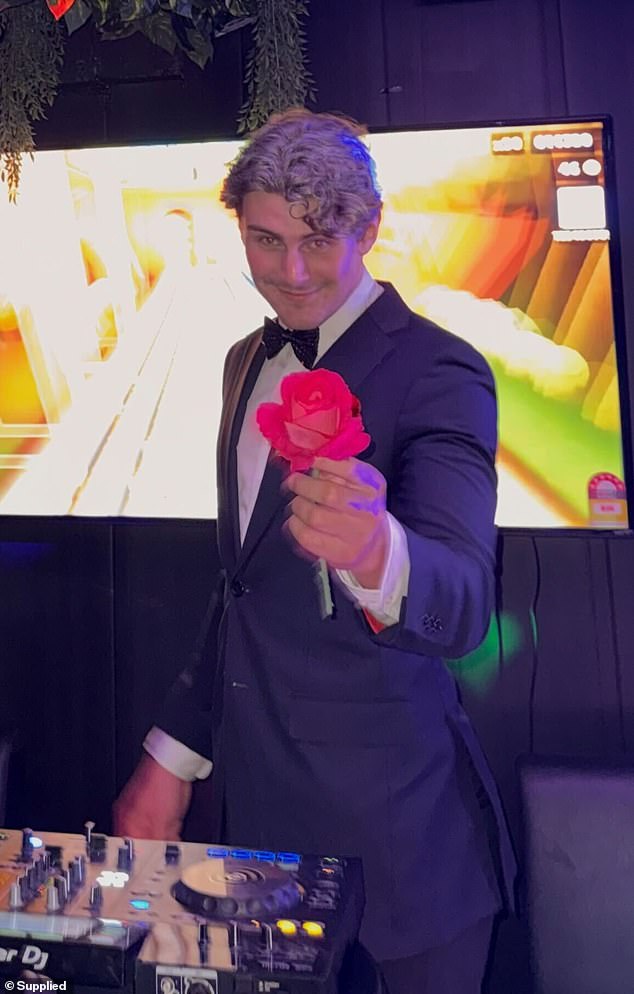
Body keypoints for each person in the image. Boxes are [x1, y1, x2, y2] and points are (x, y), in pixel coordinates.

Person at [113, 108, 516, 994]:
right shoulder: (238, 363)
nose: (290, 273)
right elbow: (240, 591)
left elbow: (464, 596)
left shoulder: (441, 368)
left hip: (407, 848)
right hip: (261, 830)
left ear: (368, 229)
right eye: (265, 240)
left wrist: (381, 556)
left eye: (318, 239)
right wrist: (171, 756)